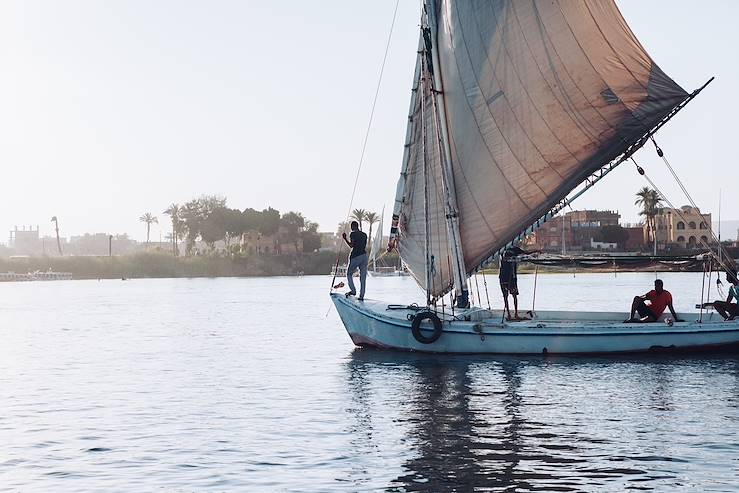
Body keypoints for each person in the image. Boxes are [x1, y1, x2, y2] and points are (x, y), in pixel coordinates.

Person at [499, 246, 530, 321]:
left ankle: (516, 314)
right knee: (505, 296)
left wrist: (535, 251)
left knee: (514, 295)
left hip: (512, 276)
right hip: (503, 276)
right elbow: (502, 258)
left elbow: (525, 253)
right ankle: (509, 314)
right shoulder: (502, 249)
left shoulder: (515, 249)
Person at [342, 221, 368, 301]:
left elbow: (351, 245)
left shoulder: (353, 234)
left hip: (355, 257)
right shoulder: (364, 235)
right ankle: (361, 296)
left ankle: (353, 291)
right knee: (363, 277)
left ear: (353, 227)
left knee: (349, 274)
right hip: (364, 256)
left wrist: (345, 238)